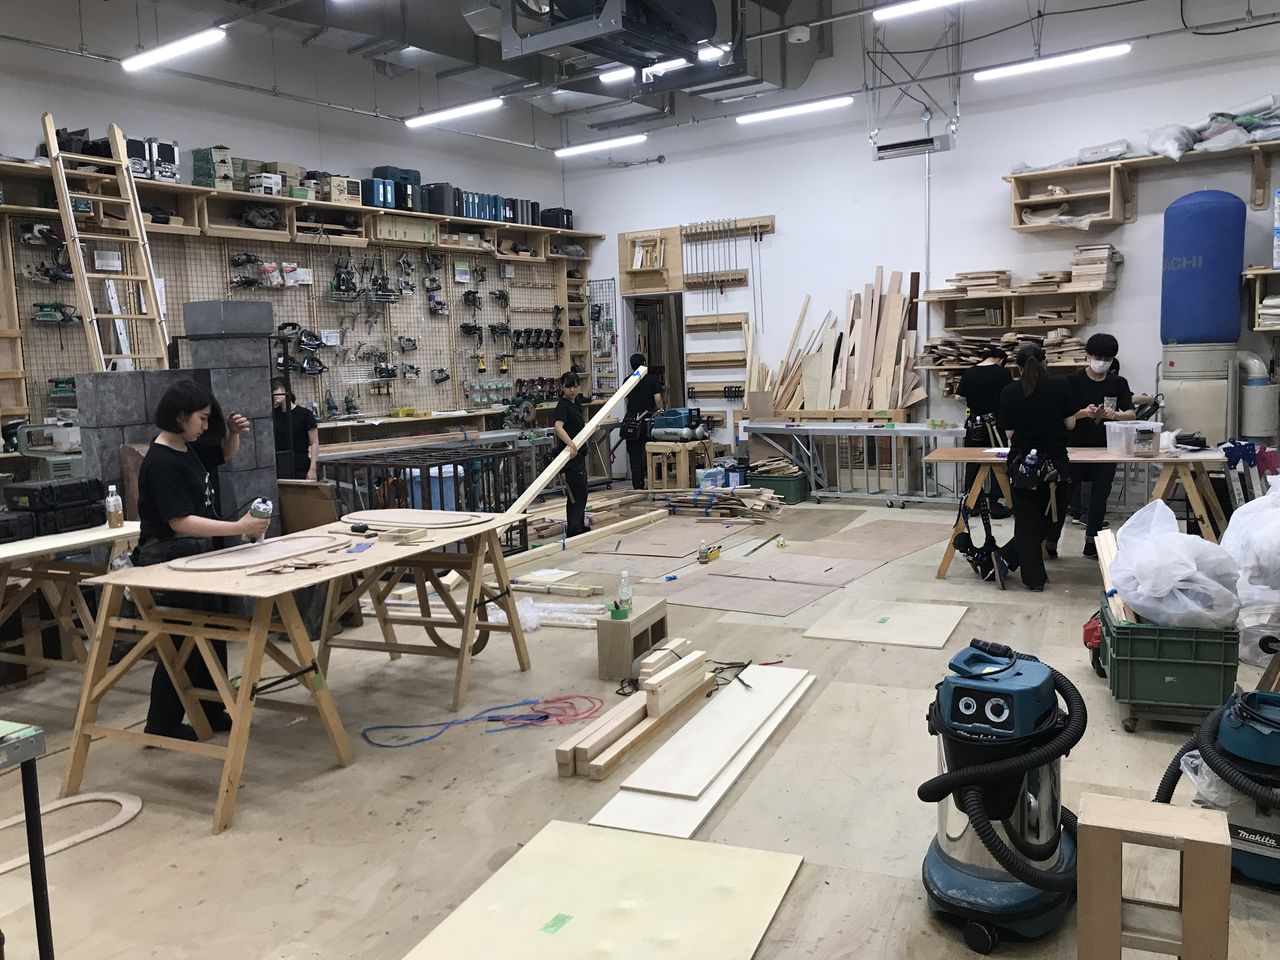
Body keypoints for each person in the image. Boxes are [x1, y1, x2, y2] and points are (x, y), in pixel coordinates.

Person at [135, 379, 270, 740]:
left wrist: (233, 434)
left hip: (195, 553)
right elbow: (179, 522)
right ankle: (161, 723)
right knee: (183, 640)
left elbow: (222, 456)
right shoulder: (162, 462)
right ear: (180, 416)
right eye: (203, 418)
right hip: (168, 556)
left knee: (211, 632)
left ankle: (211, 708)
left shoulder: (187, 447)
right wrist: (238, 526)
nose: (206, 426)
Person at [998, 344, 1078, 592]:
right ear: (1045, 362)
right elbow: (1070, 424)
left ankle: (1029, 576)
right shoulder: (1061, 384)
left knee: (1026, 520)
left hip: (1023, 463)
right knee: (1053, 516)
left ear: (1018, 366)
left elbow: (1009, 434)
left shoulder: (1010, 391)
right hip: (1055, 461)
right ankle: (1009, 560)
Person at [1065, 334, 1135, 559]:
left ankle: (1091, 543)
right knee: (1064, 494)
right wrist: (1084, 413)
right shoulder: (1072, 381)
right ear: (1088, 355)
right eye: (1098, 357)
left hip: (1107, 449)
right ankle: (1050, 541)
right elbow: (1061, 414)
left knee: (1099, 498)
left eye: (1107, 359)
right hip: (1075, 448)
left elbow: (1131, 413)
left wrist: (1115, 415)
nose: (1102, 362)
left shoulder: (1118, 383)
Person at [956, 346, 1013, 519]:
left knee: (973, 463)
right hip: (996, 424)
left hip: (975, 425)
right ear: (1001, 360)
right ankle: (995, 505)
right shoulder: (1003, 373)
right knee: (999, 463)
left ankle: (972, 504)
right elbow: (1011, 395)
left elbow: (958, 397)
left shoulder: (969, 372)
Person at [553, 371, 589, 537]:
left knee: (582, 491)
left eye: (575, 386)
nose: (572, 390)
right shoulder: (563, 405)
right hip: (571, 456)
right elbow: (558, 427)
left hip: (579, 455)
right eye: (568, 387)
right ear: (562, 387)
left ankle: (579, 525)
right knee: (575, 491)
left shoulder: (576, 404)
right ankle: (574, 529)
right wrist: (571, 444)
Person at [622, 354, 663, 490]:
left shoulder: (627, 380)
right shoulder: (652, 380)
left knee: (634, 454)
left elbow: (626, 400)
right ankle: (656, 483)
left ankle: (637, 485)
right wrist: (660, 411)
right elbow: (658, 400)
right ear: (644, 364)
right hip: (648, 420)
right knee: (654, 451)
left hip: (631, 420)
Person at [272, 377, 320, 480]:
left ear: (286, 389)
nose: (273, 393)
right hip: (279, 466)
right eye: (271, 391)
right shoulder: (273, 415)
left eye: (275, 389)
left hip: (301, 466)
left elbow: (314, 443)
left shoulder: (305, 414)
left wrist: (313, 469)